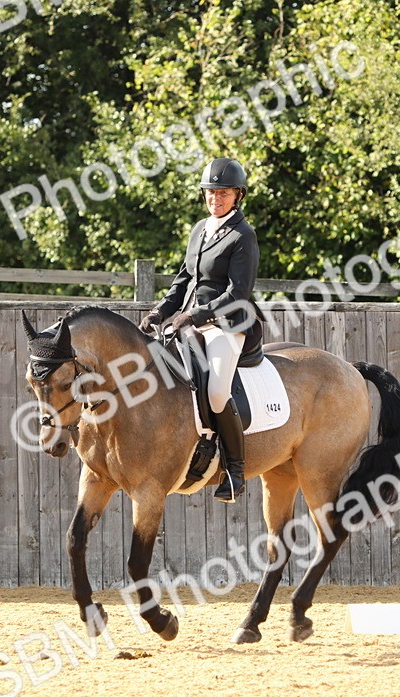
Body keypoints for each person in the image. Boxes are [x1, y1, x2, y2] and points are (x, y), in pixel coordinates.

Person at [139, 157, 259, 503]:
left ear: (238, 195)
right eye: (210, 192)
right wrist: (159, 312)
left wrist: (194, 315)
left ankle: (236, 471)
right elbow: (182, 281)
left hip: (225, 325)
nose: (215, 198)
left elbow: (238, 293)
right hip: (186, 323)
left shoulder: (243, 235)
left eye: (223, 193)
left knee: (218, 392)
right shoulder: (200, 229)